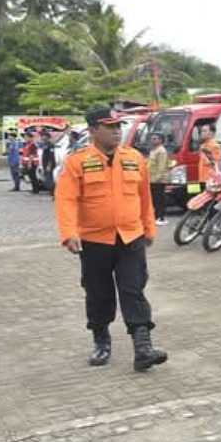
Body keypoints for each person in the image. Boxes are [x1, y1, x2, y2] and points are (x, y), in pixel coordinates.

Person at [55, 107, 167, 370]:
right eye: (110, 126)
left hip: (131, 237)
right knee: (98, 294)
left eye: (119, 126)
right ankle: (101, 341)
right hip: (94, 241)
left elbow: (144, 197)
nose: (117, 131)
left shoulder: (134, 158)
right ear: (93, 130)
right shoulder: (77, 161)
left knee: (133, 290)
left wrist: (149, 228)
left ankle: (143, 348)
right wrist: (69, 233)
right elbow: (66, 199)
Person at [147, 133, 170, 225]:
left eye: (155, 139)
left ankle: (160, 217)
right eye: (152, 138)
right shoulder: (154, 150)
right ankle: (155, 216)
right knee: (154, 199)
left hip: (158, 180)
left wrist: (156, 179)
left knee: (159, 199)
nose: (153, 140)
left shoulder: (161, 151)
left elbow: (161, 167)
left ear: (161, 140)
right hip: (152, 179)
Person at [40, 129, 56, 196]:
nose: (41, 137)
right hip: (45, 163)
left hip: (49, 164)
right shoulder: (45, 144)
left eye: (42, 136)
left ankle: (54, 192)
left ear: (47, 136)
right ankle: (52, 191)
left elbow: (51, 156)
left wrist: (49, 165)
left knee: (49, 179)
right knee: (47, 178)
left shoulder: (50, 144)